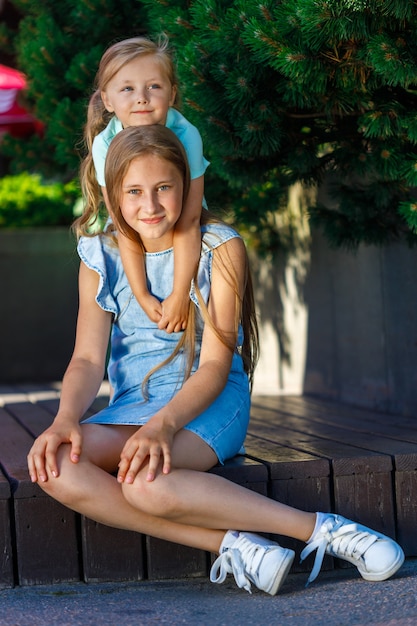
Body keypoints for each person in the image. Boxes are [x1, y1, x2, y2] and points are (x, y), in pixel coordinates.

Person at [28, 125, 404, 595]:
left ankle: (320, 529)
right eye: (135, 192)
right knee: (56, 463)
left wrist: (163, 426)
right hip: (132, 408)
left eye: (164, 188)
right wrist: (65, 418)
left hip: (207, 399)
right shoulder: (100, 256)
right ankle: (234, 544)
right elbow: (86, 358)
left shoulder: (219, 246)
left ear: (186, 185)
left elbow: (214, 367)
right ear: (113, 197)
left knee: (147, 483)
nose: (150, 205)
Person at [81, 35, 209, 333]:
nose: (142, 97)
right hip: (137, 235)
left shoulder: (186, 135)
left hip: (185, 229)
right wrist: (141, 293)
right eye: (127, 88)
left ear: (172, 93)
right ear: (108, 100)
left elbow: (189, 220)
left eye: (154, 86)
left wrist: (180, 293)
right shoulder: (105, 145)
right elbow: (123, 224)